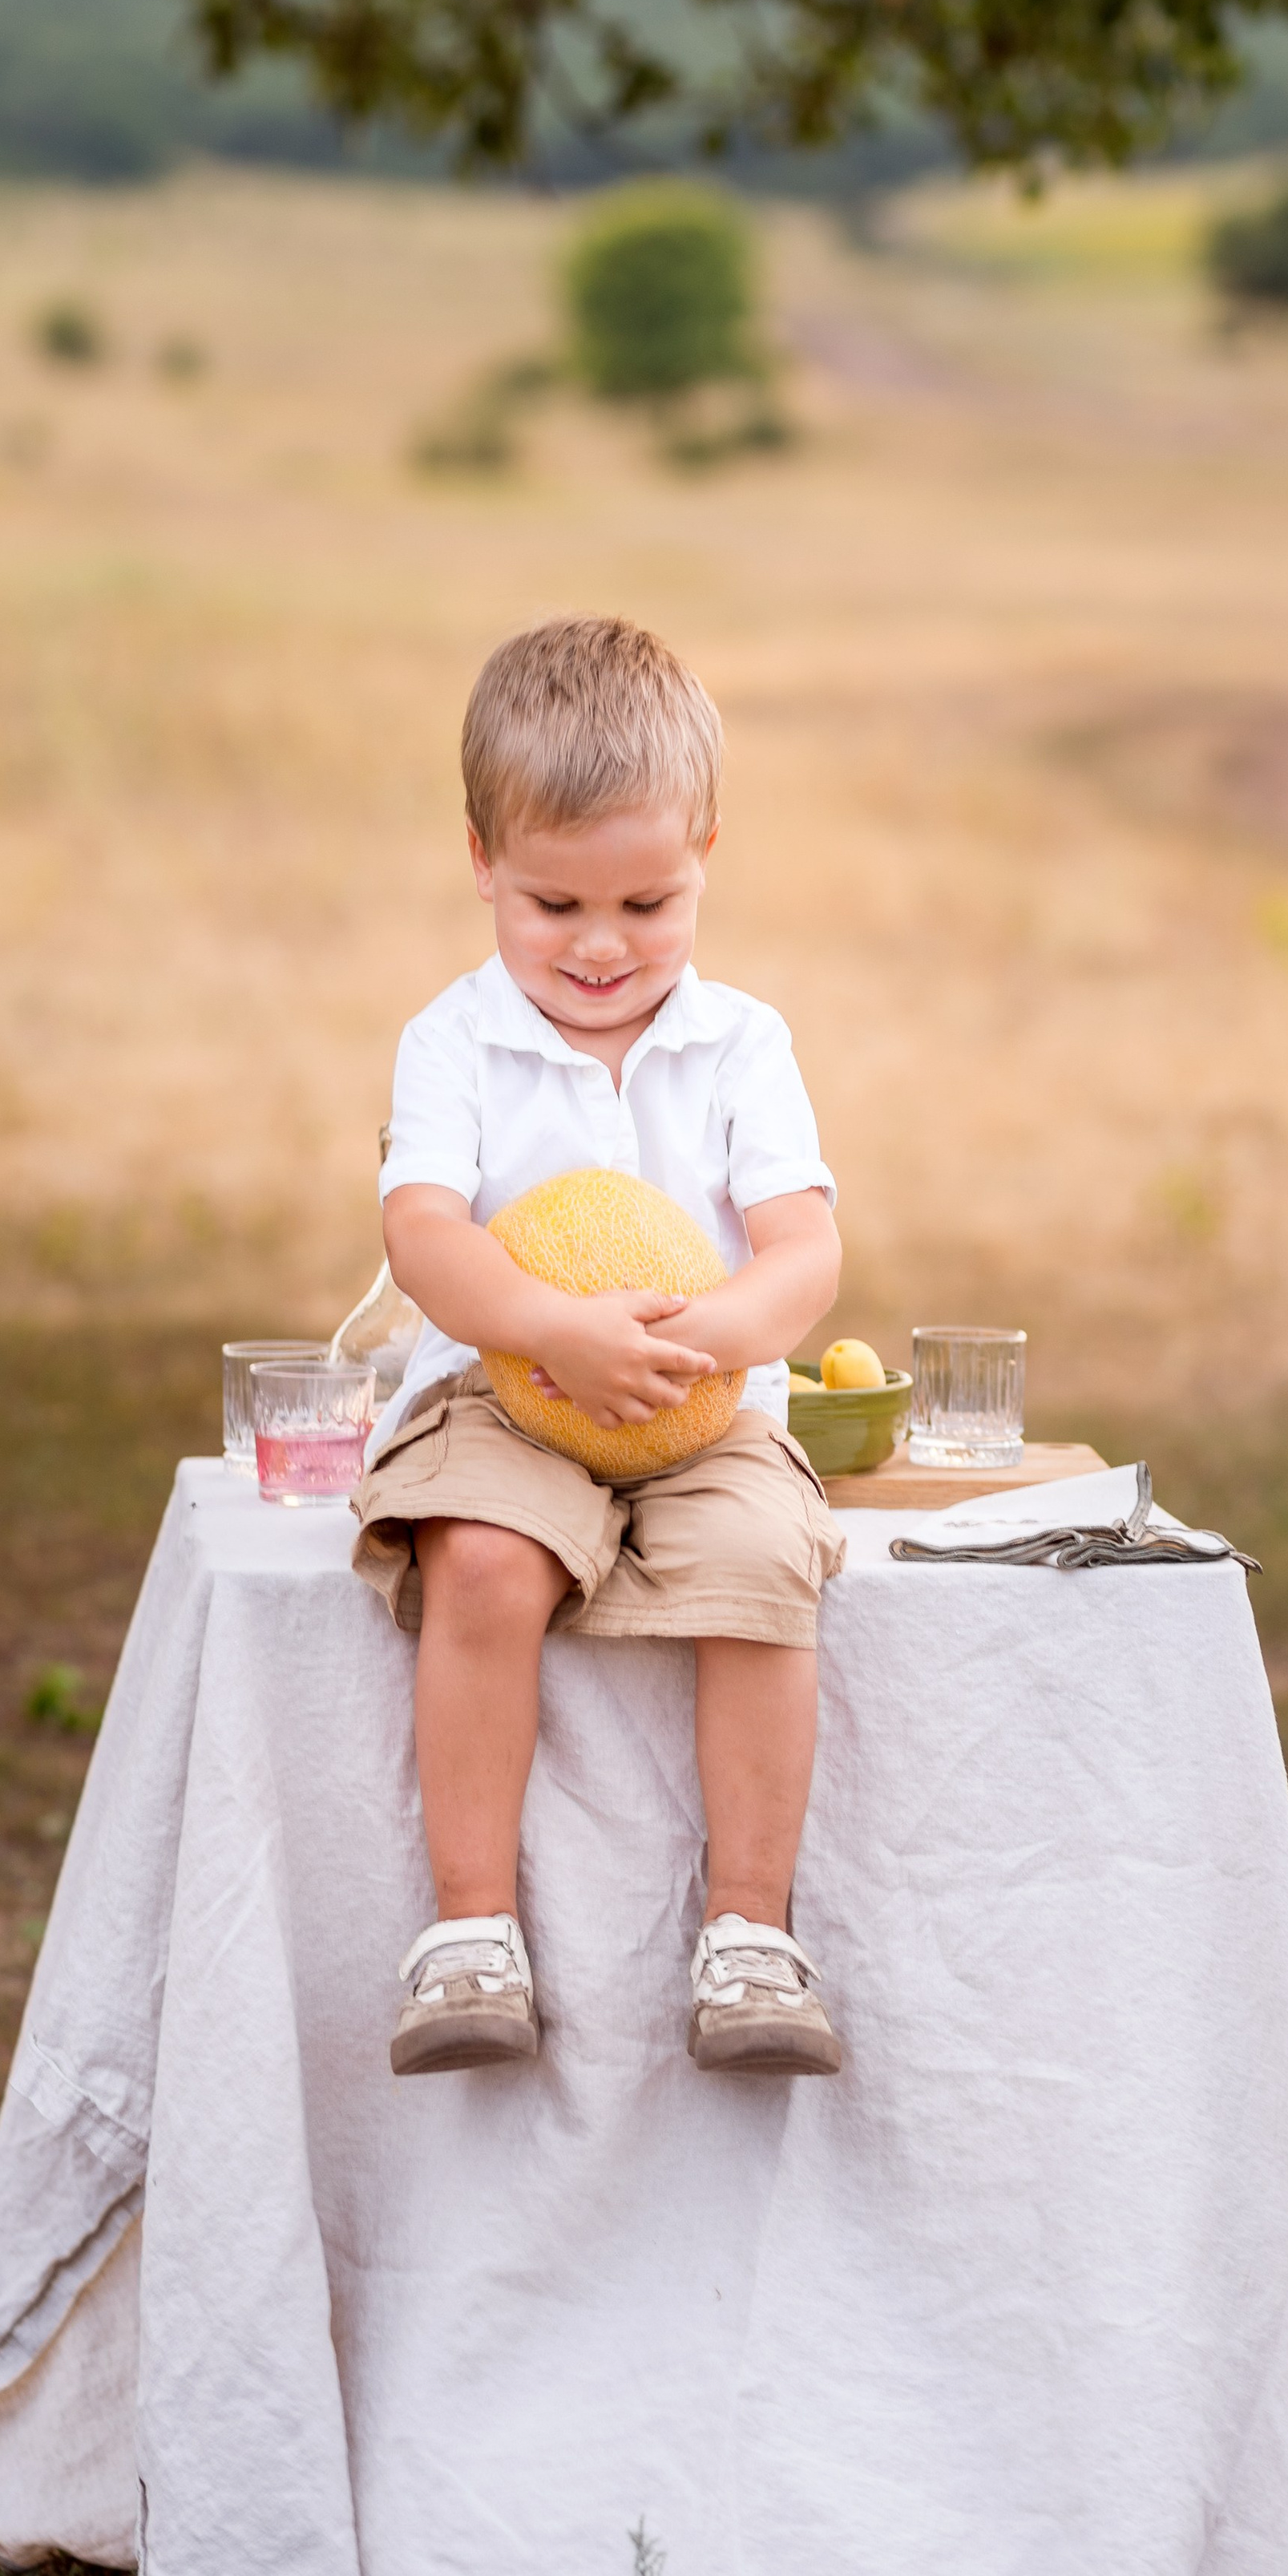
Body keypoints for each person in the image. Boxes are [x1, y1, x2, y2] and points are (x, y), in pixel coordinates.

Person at [350, 615, 847, 2085]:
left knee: (764, 1569)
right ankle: (469, 1930)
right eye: (554, 902)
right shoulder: (452, 1042)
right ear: (481, 859)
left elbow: (804, 1248)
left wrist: (718, 1341)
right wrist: (549, 1323)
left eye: (648, 899)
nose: (602, 945)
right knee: (486, 1562)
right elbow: (425, 1236)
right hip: (505, 1399)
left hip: (702, 1408)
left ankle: (751, 1935)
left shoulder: (744, 1042)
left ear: (706, 848)